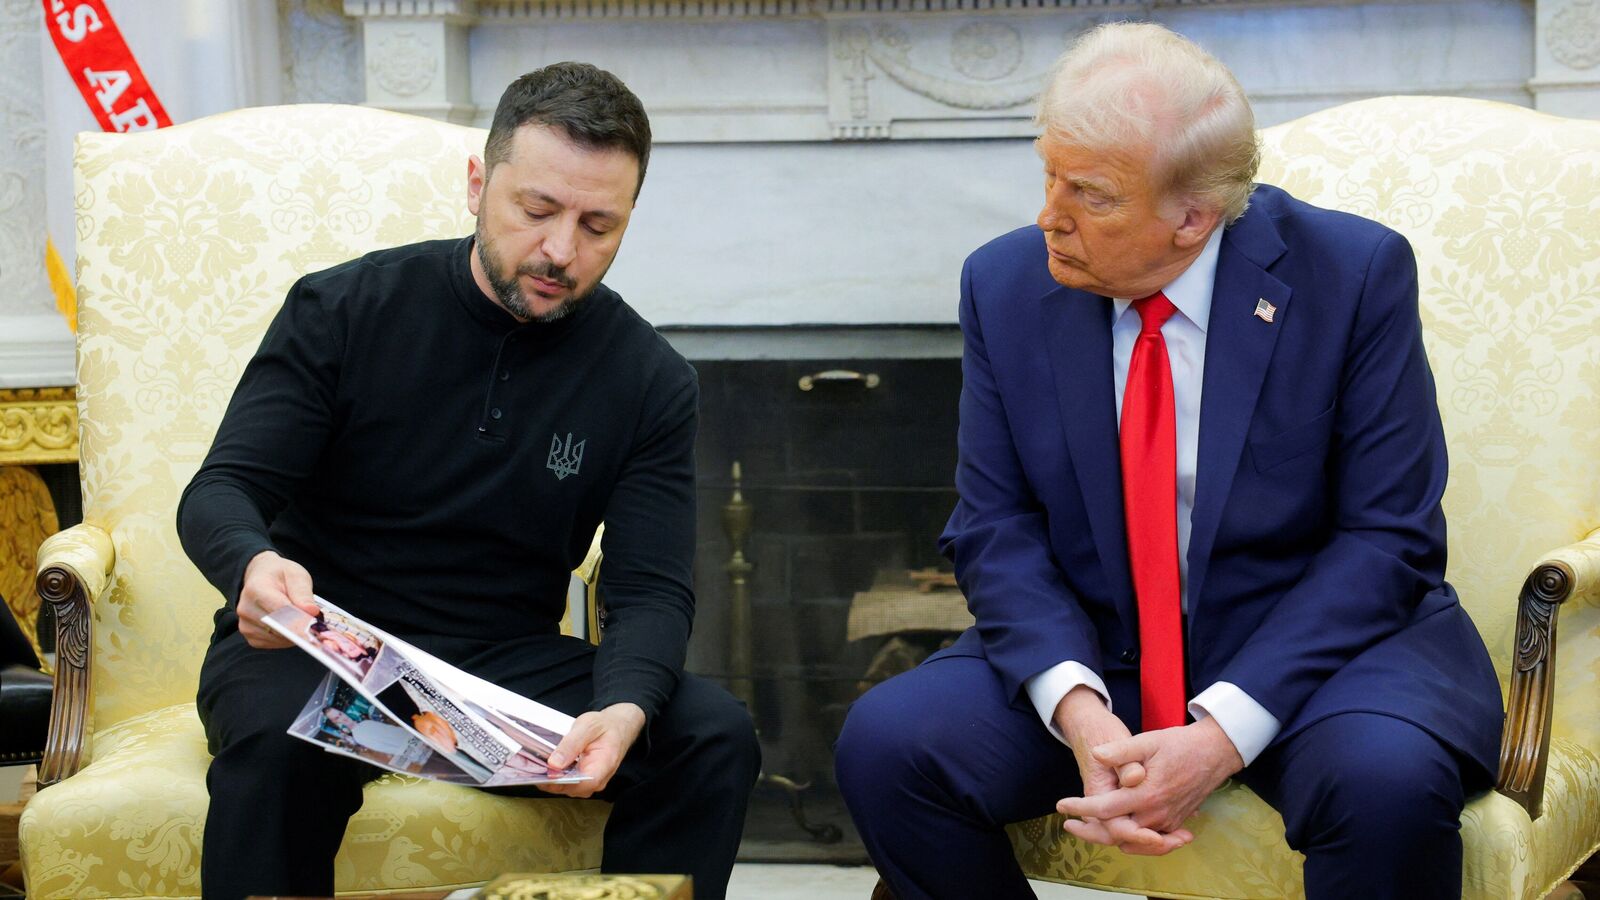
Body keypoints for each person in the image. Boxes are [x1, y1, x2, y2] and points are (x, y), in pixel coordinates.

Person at [834, 23, 1502, 900]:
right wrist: (1080, 713)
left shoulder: (1354, 275)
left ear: (1193, 217)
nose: (1049, 217)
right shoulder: (1004, 285)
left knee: (1383, 783)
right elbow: (994, 527)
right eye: (1048, 175)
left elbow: (1388, 538)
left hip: (1313, 653)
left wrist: (1220, 732)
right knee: (889, 745)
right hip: (1098, 646)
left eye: (1090, 195)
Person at [180, 62, 761, 900]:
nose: (562, 250)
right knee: (277, 747)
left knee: (712, 735)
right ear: (478, 184)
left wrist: (626, 707)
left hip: (498, 663)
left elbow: (651, 590)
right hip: (322, 642)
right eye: (537, 211)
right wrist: (250, 567)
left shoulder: (649, 378)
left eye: (599, 225)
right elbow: (222, 488)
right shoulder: (344, 308)